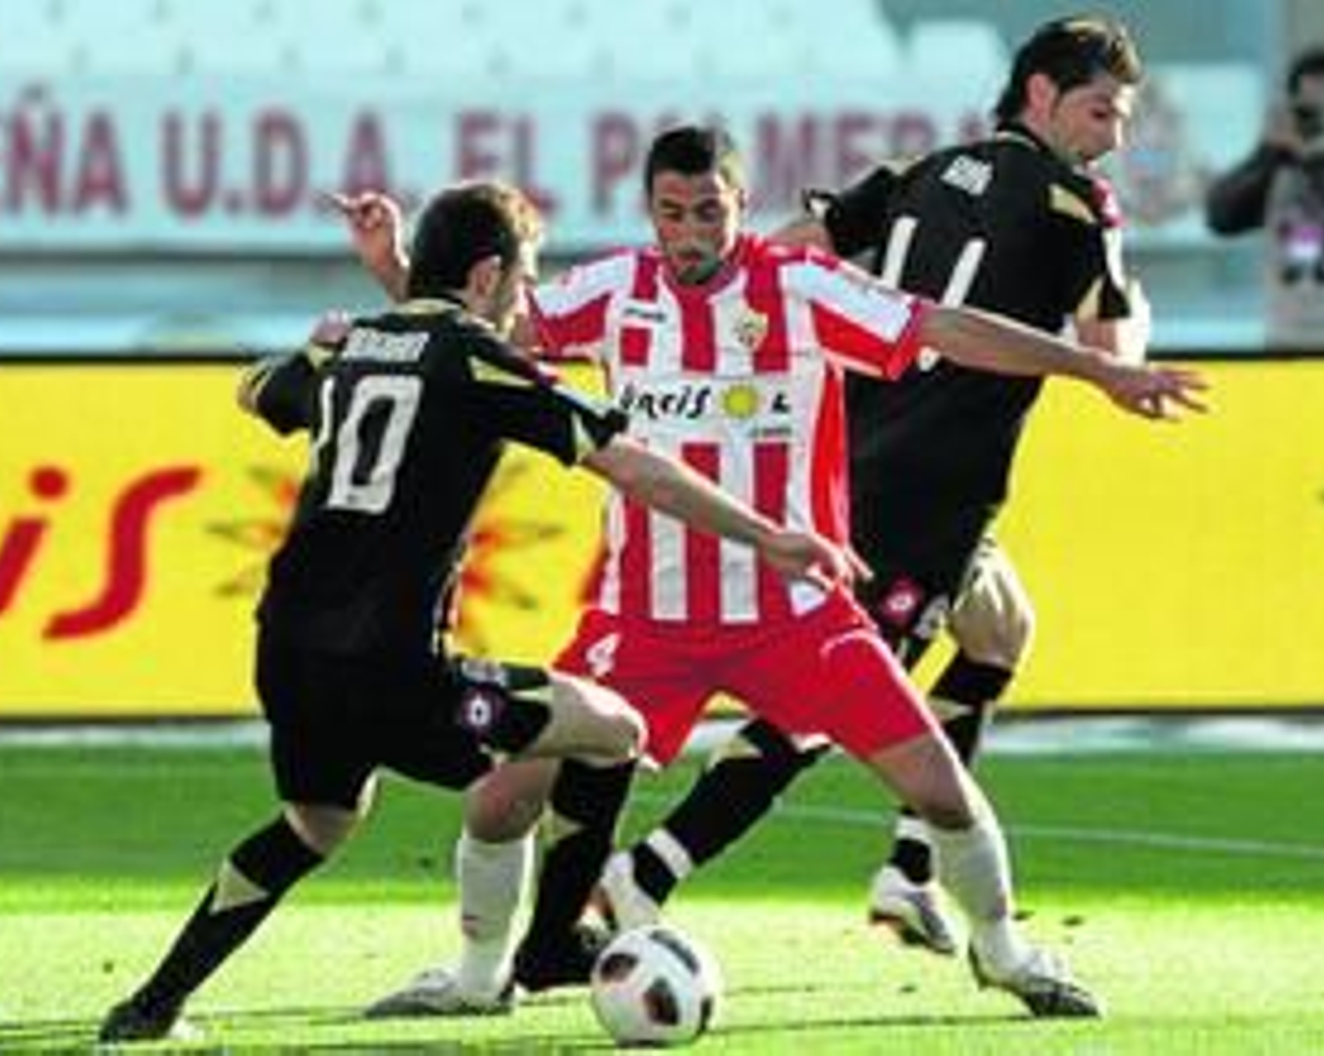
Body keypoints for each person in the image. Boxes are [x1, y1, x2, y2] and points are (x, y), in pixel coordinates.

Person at [348, 125, 1203, 1021]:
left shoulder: (799, 287)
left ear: (740, 206)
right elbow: (481, 327)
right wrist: (393, 267)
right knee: (498, 802)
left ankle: (1009, 954)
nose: (691, 233)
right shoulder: (612, 292)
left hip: (796, 614)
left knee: (943, 793)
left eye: (709, 211)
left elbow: (944, 326)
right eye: (673, 214)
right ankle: (480, 977)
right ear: (651, 214)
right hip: (644, 621)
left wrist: (1096, 367)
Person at [94, 179, 851, 1043]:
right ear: (489, 275)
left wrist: (318, 346)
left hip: (290, 652)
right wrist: (772, 537)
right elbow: (629, 464)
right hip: (396, 671)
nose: (527, 300)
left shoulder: (351, 350)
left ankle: (150, 1007)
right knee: (615, 729)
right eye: (524, 279)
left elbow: (253, 391)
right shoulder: (482, 360)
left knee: (318, 822)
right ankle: (552, 945)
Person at [599, 13, 1153, 958]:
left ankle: (910, 870)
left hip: (849, 457)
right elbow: (1111, 353)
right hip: (931, 486)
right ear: (1043, 96)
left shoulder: (921, 171)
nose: (1114, 136)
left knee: (1000, 629)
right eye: (1102, 111)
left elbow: (790, 244)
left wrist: (726, 330)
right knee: (829, 701)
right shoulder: (1073, 203)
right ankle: (650, 868)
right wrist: (1136, 320)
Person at [1206, 44, 1324, 350]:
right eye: (1311, 111)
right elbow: (1220, 218)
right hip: (1286, 341)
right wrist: (1266, 152)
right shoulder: (1276, 168)